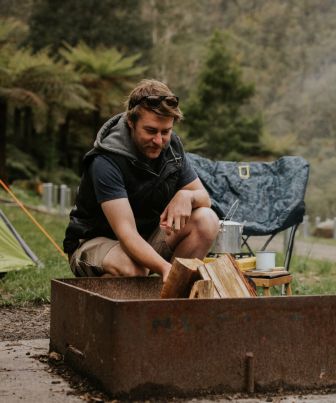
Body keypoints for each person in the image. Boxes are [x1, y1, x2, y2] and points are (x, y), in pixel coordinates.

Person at [63, 79, 219, 282]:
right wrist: (166, 269)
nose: (159, 140)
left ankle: (171, 299)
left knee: (206, 220)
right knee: (133, 268)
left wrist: (187, 195)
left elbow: (205, 200)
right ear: (131, 122)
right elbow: (126, 234)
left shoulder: (172, 148)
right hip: (94, 242)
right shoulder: (105, 160)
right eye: (151, 131)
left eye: (166, 132)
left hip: (145, 239)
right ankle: (104, 302)